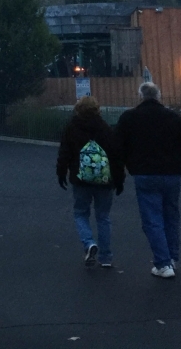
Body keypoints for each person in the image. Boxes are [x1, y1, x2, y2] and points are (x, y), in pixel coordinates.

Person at [115, 81, 181, 279]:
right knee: (171, 216)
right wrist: (179, 162)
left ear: (140, 96)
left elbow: (119, 146)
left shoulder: (129, 118)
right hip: (172, 172)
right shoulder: (173, 118)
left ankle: (163, 261)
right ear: (158, 96)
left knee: (152, 219)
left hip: (144, 173)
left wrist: (128, 165)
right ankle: (172, 257)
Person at [57, 96, 125, 268]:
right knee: (103, 217)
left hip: (81, 179)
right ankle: (106, 257)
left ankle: (88, 243)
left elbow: (64, 153)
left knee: (80, 213)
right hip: (104, 180)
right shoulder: (105, 128)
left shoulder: (72, 128)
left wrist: (61, 172)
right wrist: (119, 179)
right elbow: (116, 156)